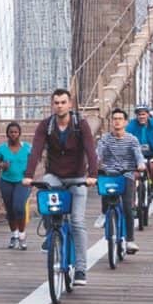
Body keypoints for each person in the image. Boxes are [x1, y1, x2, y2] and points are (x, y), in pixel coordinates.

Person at [24, 87, 95, 286]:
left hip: (77, 178)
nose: (60, 105)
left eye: (63, 102)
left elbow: (90, 150)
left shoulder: (80, 124)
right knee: (45, 193)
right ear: (52, 105)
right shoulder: (46, 126)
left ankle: (80, 269)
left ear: (70, 104)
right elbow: (36, 150)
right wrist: (29, 175)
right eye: (56, 102)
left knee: (77, 223)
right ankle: (51, 232)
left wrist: (93, 175)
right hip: (55, 175)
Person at [95, 108, 146, 255]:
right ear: (111, 122)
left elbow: (138, 154)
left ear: (125, 122)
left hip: (126, 174)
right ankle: (104, 213)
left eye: (120, 118)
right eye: (114, 118)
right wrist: (94, 164)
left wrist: (140, 164)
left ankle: (130, 240)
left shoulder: (132, 139)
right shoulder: (105, 138)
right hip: (110, 173)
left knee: (128, 207)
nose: (116, 121)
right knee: (104, 182)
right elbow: (98, 153)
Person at [0, 121, 33, 249]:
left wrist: (30, 172)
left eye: (16, 132)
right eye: (11, 132)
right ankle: (14, 235)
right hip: (6, 182)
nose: (13, 134)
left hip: (22, 182)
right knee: (10, 210)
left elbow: (34, 162)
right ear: (7, 134)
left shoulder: (27, 148)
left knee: (19, 207)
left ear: (19, 133)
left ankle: (22, 236)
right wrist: (1, 165)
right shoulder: (2, 149)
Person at [126, 105, 153, 218]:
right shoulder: (132, 125)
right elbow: (126, 137)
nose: (141, 117)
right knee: (132, 177)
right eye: (139, 114)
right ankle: (133, 206)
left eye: (143, 114)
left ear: (148, 115)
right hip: (136, 155)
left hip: (152, 153)